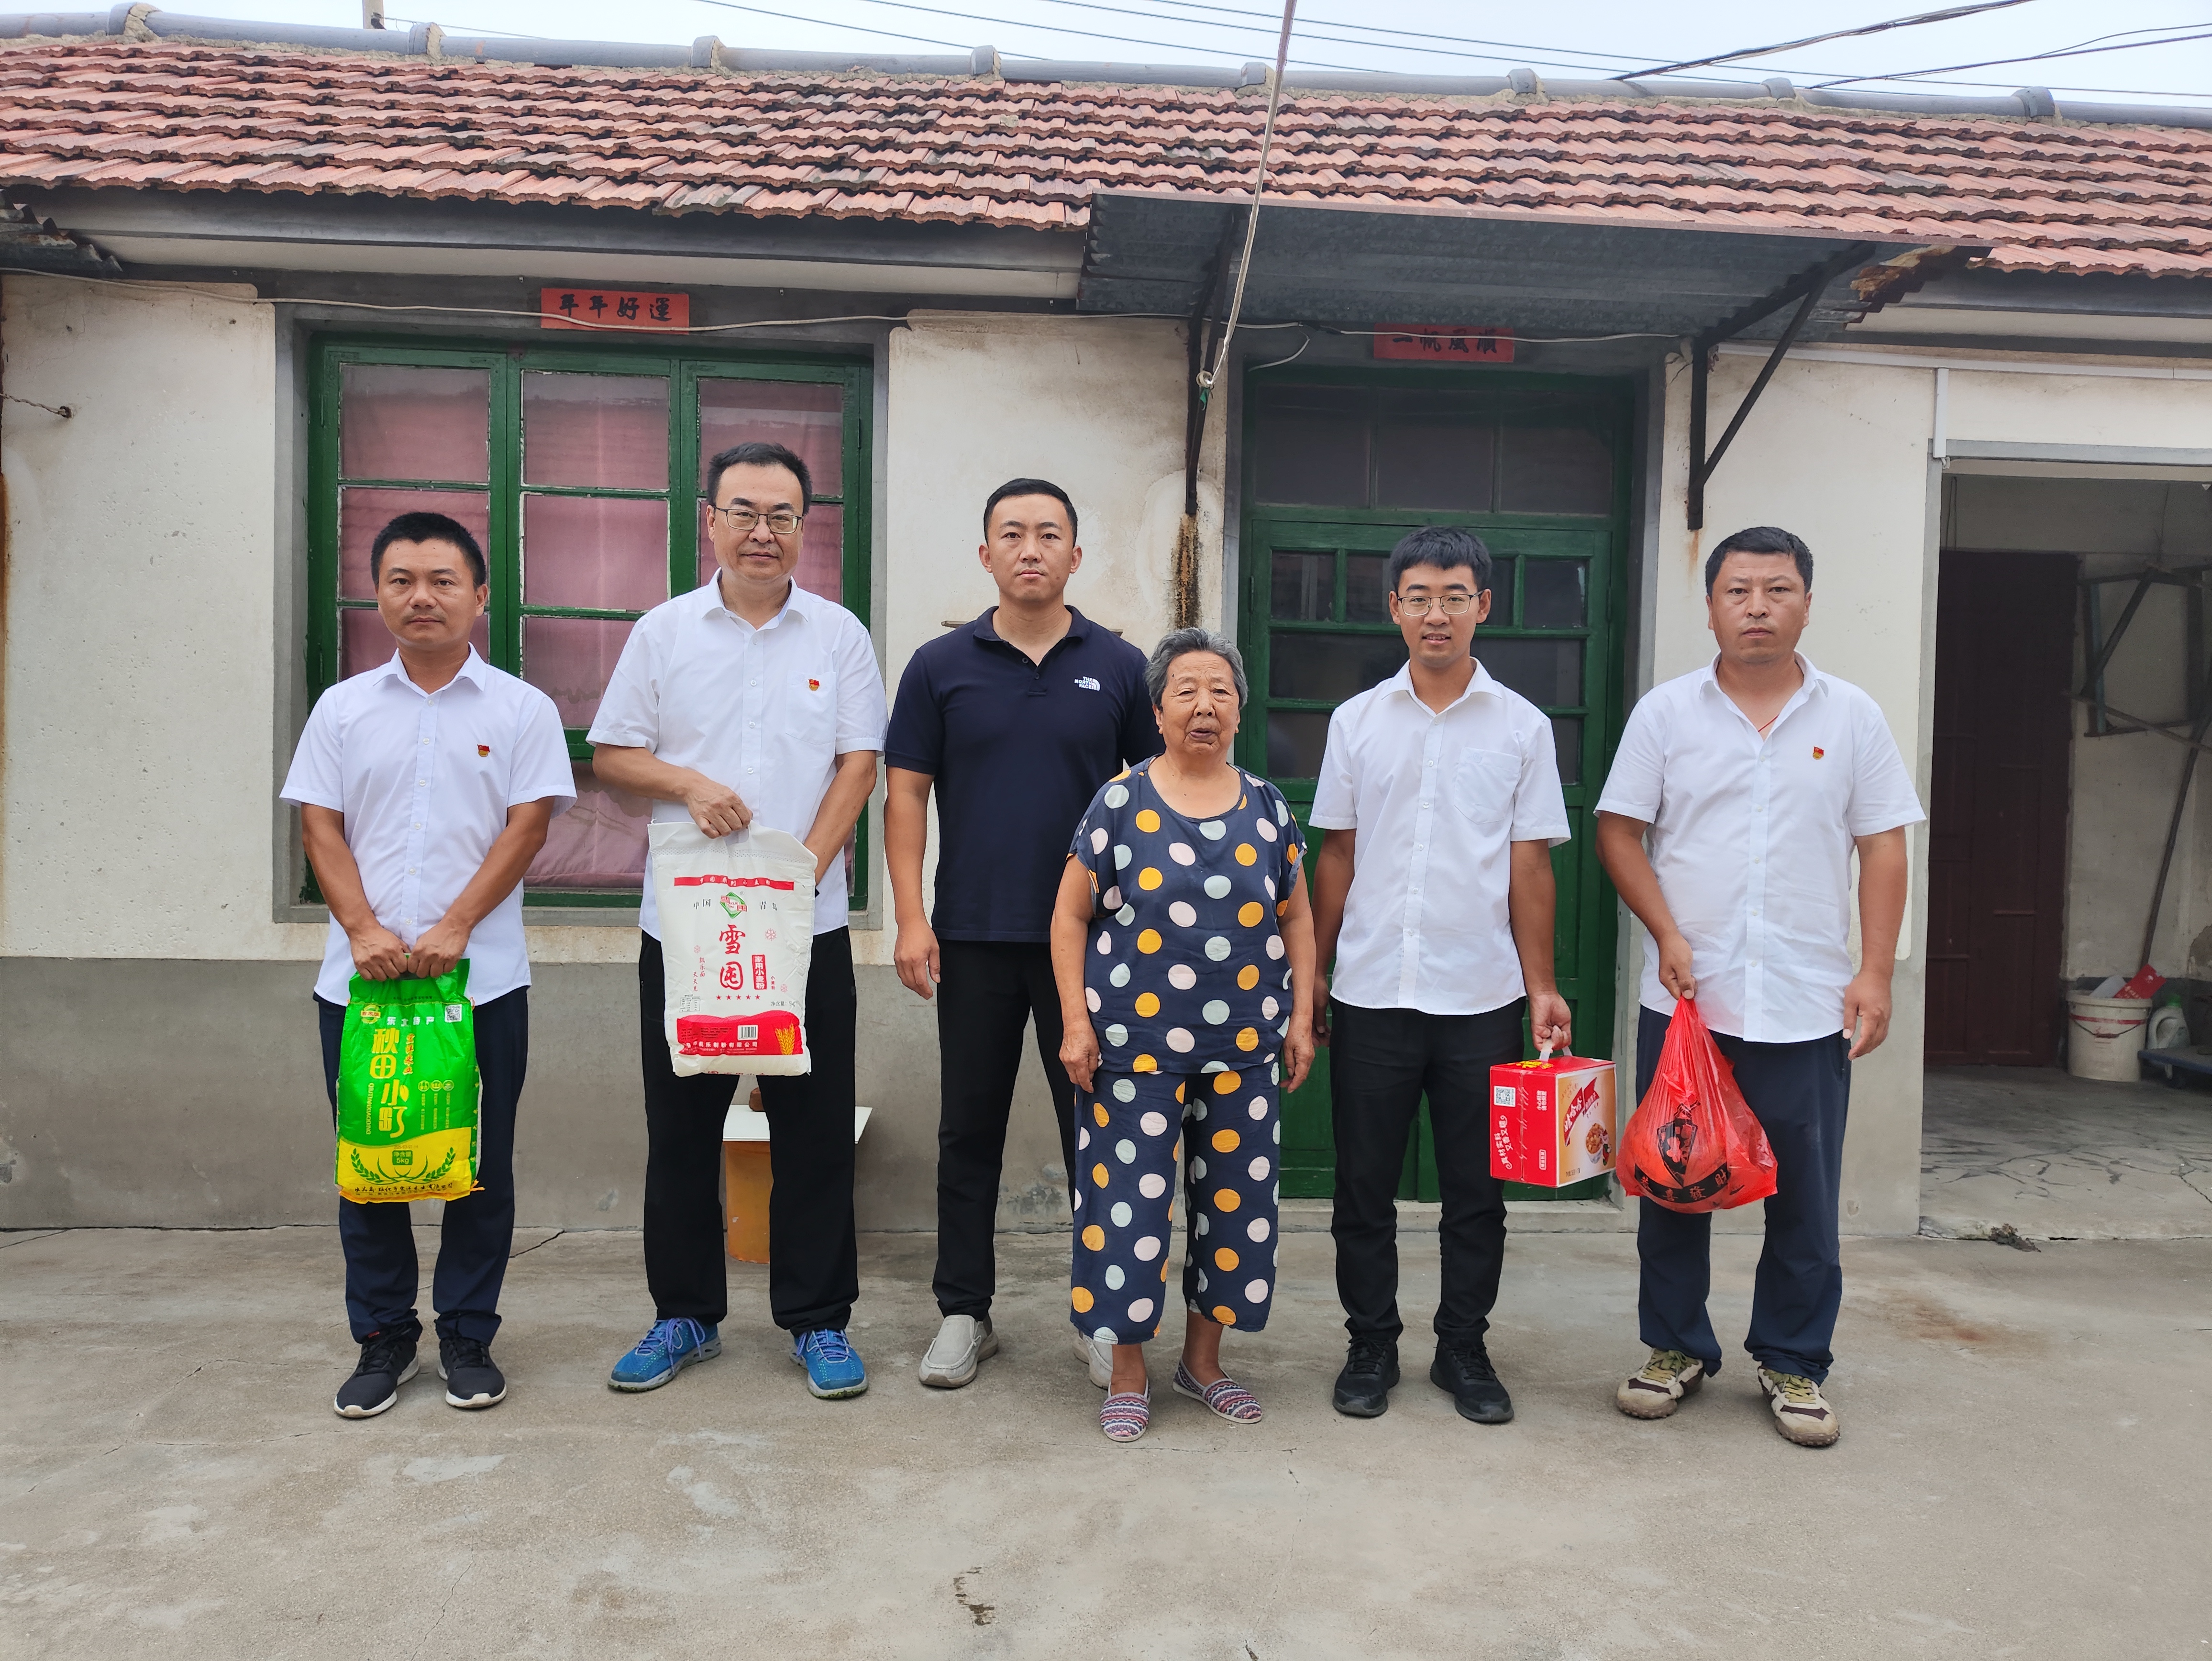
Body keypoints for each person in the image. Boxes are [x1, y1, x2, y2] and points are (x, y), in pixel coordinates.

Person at [1595, 525, 1921, 1449]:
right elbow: (1619, 831)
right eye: (1738, 591)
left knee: (1805, 1200)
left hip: (1808, 1003)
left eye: (1778, 590)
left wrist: (1874, 972)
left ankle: (1794, 1359)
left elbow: (1883, 844)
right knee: (1673, 1182)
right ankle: (1675, 1349)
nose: (1757, 608)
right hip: (1689, 1004)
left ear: (1807, 605)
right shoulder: (1667, 714)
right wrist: (1666, 931)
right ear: (1710, 608)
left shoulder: (1851, 716)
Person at [589, 441, 886, 1401]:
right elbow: (612, 754)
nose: (764, 532)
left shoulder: (838, 634)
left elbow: (858, 764)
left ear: (805, 527)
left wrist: (799, 879)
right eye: (745, 512)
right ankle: (684, 1313)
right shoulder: (663, 633)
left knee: (812, 1129)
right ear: (709, 520)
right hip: (686, 930)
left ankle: (818, 1319)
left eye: (783, 515)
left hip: (804, 928)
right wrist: (687, 783)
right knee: (681, 1127)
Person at [282, 511, 575, 1419]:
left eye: (443, 580)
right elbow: (319, 824)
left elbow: (528, 827)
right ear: (377, 594)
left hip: (480, 984)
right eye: (401, 580)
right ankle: (383, 1337)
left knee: (480, 1164)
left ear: (479, 596)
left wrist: (456, 925)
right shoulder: (342, 709)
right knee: (370, 1159)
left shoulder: (521, 709)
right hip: (362, 985)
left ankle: (467, 1334)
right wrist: (362, 928)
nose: (422, 597)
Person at [885, 478, 1160, 1391]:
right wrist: (911, 919)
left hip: (1095, 947)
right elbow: (906, 795)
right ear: (986, 554)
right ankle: (964, 1313)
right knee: (969, 1130)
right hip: (972, 935)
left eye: (1048, 534)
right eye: (1012, 534)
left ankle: (1105, 1314)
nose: (1030, 548)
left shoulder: (1120, 666)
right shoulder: (939, 666)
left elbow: (1154, 801)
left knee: (1100, 1133)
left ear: (1076, 556)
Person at [1308, 525, 1572, 1426]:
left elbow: (1531, 865)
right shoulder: (1356, 721)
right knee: (1362, 1190)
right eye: (1419, 597)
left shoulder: (1523, 726)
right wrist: (1314, 974)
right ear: (1395, 608)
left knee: (1476, 1193)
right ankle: (1371, 1343)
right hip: (1373, 991)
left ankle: (1463, 1346)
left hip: (1481, 997)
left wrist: (1542, 985)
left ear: (1482, 606)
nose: (1436, 614)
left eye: (1455, 596)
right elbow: (1337, 855)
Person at [1051, 629, 1317, 1442]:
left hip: (1245, 1049)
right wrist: (1075, 1023)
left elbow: (1297, 917)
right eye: (1187, 691)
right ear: (1159, 710)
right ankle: (1127, 1372)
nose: (1205, 706)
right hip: (1133, 1050)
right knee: (1127, 1208)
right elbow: (1069, 915)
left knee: (1235, 1207)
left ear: (1239, 710)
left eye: (1220, 691)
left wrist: (1301, 1017)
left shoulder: (1268, 807)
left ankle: (1203, 1365)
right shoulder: (1119, 803)